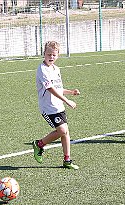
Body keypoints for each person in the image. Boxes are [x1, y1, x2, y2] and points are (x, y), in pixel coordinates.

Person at [32, 41, 80, 169]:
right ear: (44, 54)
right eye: (49, 54)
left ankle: (67, 160)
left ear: (58, 55)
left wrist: (71, 92)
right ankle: (39, 144)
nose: (51, 57)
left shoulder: (56, 69)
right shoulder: (42, 69)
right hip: (48, 108)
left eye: (54, 55)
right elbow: (50, 89)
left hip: (58, 106)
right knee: (62, 130)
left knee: (65, 133)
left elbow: (58, 88)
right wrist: (67, 101)